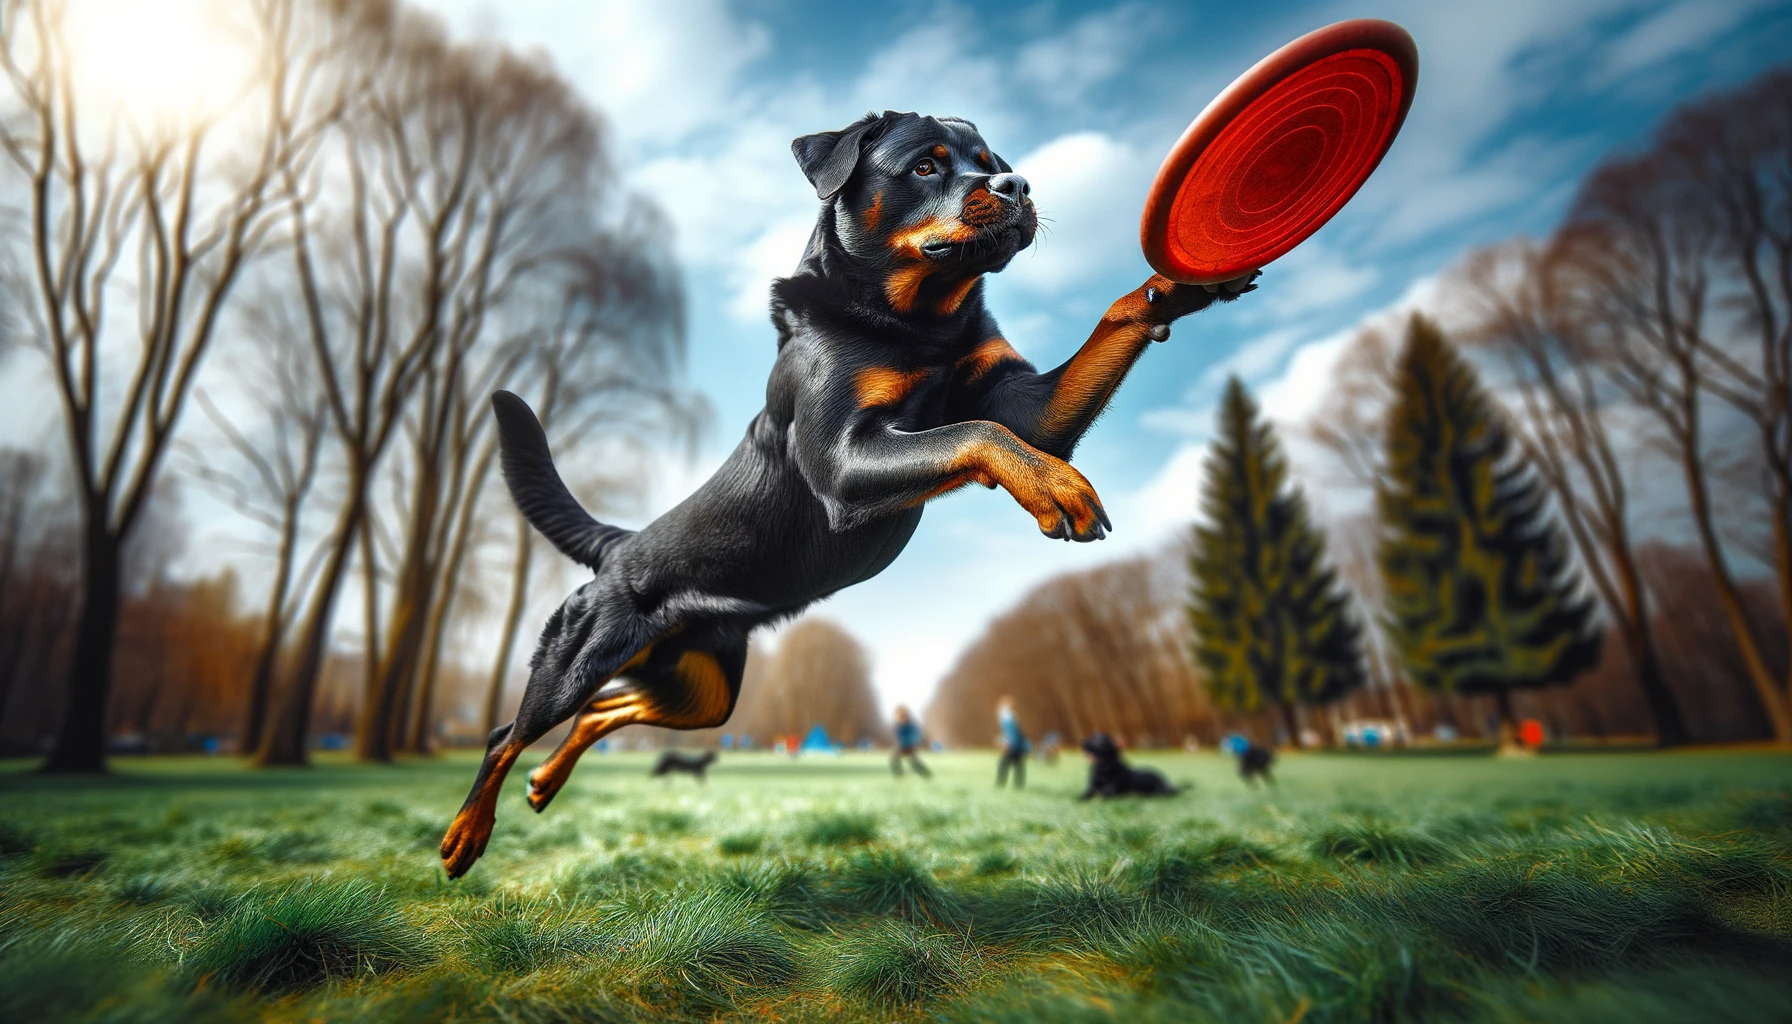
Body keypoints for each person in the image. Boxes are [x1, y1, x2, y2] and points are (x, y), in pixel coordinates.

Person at [995, 696, 1030, 788]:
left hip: (1013, 745)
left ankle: (1001, 784)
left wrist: (1005, 742)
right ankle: (1018, 786)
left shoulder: (1007, 716)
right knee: (1018, 766)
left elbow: (1012, 733)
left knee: (1004, 765)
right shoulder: (1011, 716)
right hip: (1016, 744)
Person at [890, 705, 931, 779]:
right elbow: (897, 736)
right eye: (898, 714)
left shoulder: (910, 724)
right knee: (895, 759)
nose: (899, 716)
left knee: (914, 763)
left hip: (909, 746)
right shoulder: (898, 724)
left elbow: (916, 734)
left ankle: (926, 774)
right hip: (902, 746)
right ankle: (898, 775)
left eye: (901, 714)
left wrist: (912, 742)